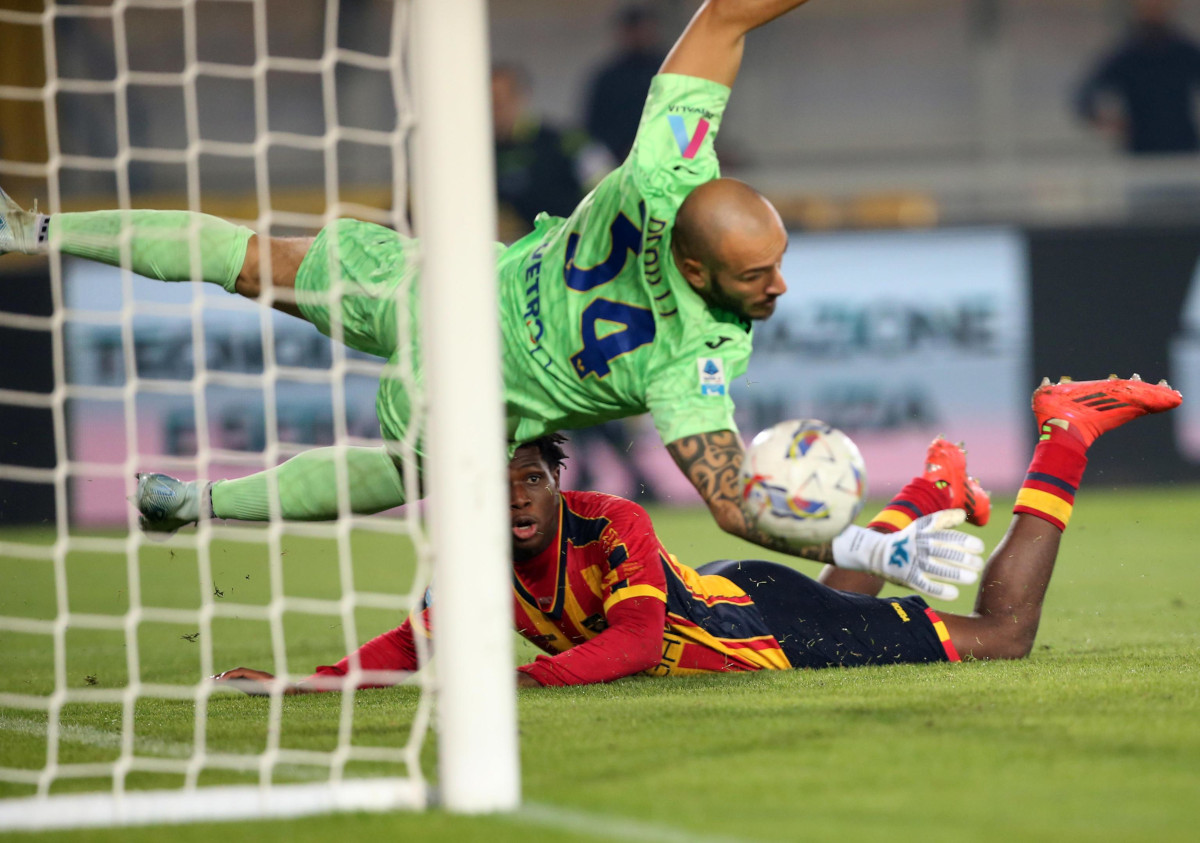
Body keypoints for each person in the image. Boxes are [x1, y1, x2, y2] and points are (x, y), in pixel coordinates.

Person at [0, 0, 965, 595]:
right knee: (404, 467)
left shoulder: (662, 172)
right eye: (759, 276)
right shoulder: (693, 359)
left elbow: (722, 16)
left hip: (437, 287)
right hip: (461, 397)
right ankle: (197, 504)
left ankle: (35, 229)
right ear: (703, 273)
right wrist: (873, 551)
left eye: (780, 262)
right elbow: (729, 504)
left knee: (253, 261)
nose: (780, 285)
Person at [213, 375, 1182, 692]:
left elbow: (635, 643)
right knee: (830, 608)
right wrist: (314, 680)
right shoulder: (479, 561)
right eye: (497, 480)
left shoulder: (614, 524)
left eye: (531, 476)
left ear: (561, 478)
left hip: (762, 623)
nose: (514, 496)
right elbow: (417, 637)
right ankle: (929, 490)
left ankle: (1063, 432)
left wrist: (512, 683)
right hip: (731, 602)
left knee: (1003, 637)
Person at [1074, 0, 1200, 155]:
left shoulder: (1184, 52)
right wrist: (1103, 119)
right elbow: (1085, 93)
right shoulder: (1127, 54)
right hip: (1141, 149)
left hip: (1183, 147)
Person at [491, 63, 592, 241]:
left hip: (568, 249)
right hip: (514, 258)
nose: (493, 111)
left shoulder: (565, 143)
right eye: (487, 103)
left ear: (520, 97)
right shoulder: (478, 156)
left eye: (499, 102)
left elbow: (606, 185)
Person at [583, 4, 667, 163]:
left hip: (665, 160)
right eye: (635, 31)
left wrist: (686, 154)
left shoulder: (670, 73)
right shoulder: (608, 78)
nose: (641, 36)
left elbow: (686, 118)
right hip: (617, 163)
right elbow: (593, 129)